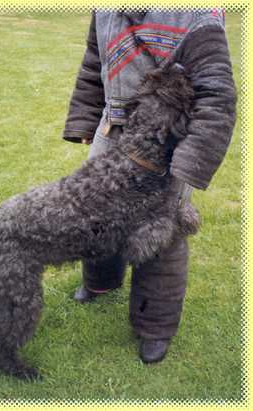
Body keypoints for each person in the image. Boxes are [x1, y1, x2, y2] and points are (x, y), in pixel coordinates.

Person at [62, 10, 237, 363]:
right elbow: (94, 64)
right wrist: (85, 120)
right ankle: (101, 282)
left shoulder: (198, 13)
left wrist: (187, 163)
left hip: (167, 143)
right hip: (112, 131)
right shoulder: (105, 8)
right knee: (98, 217)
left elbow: (217, 96)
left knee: (159, 236)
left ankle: (154, 325)